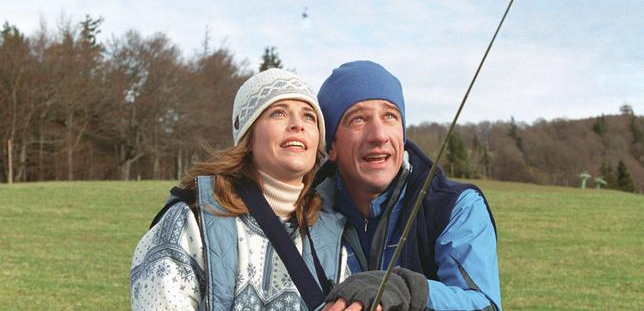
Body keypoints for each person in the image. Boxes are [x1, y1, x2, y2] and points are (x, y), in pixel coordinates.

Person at [130, 68, 349, 310]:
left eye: (309, 116)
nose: (298, 124)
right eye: (278, 113)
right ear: (248, 135)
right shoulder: (190, 222)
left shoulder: (330, 235)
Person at [315, 61, 501, 311]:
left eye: (390, 116)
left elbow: (484, 305)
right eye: (358, 119)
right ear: (331, 146)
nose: (379, 135)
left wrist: (407, 289)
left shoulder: (455, 206)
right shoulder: (304, 212)